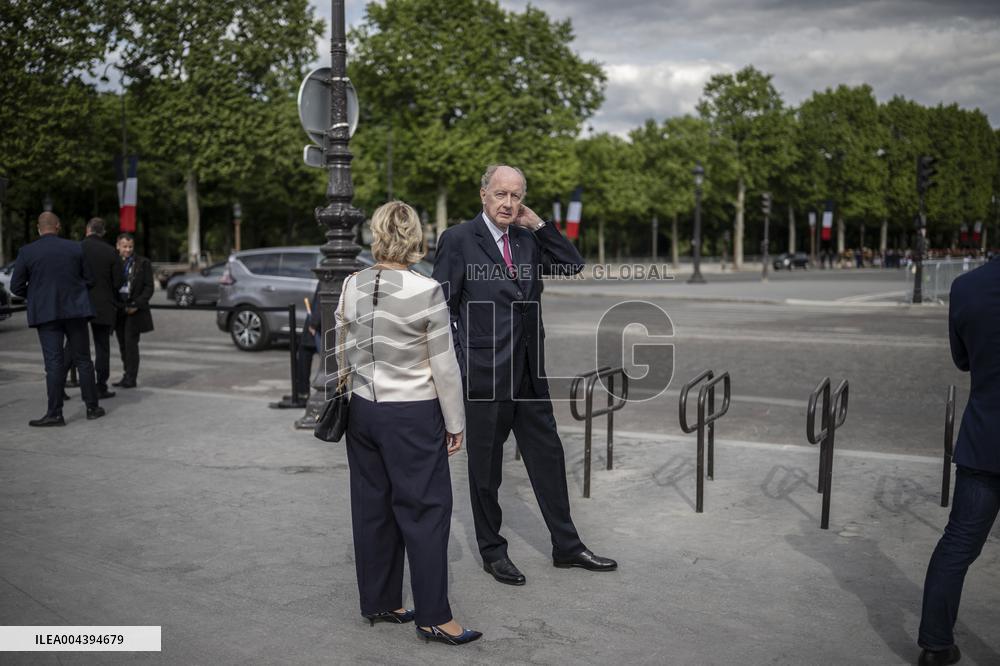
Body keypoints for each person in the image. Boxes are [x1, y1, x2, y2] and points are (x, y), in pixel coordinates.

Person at [432, 164, 617, 587]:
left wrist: (539, 224)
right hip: (484, 378)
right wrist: (463, 363)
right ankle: (493, 551)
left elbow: (571, 265)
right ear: (483, 194)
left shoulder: (527, 238)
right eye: (501, 194)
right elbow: (441, 310)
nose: (508, 203)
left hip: (530, 375)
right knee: (486, 471)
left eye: (516, 196)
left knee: (549, 459)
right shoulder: (458, 240)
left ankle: (567, 547)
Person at [339, 200, 480, 646]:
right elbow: (444, 365)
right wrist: (455, 422)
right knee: (426, 512)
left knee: (372, 508)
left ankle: (380, 601)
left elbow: (342, 345)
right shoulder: (427, 290)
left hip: (363, 407)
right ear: (415, 236)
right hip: (412, 413)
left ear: (376, 234)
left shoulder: (351, 283)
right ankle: (434, 617)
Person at [917, 256, 1000, 666]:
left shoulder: (966, 287)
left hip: (985, 439)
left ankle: (935, 646)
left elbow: (962, 359)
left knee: (957, 545)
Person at [9, 212, 105, 425]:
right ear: (58, 226)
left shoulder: (27, 251)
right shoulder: (75, 248)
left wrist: (37, 295)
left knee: (53, 363)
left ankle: (55, 413)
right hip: (76, 311)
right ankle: (92, 407)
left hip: (46, 313)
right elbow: (90, 279)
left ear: (38, 228)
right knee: (83, 359)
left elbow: (16, 286)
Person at [78, 218, 124, 398]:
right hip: (104, 305)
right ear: (103, 232)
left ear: (87, 229)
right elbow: (118, 282)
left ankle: (59, 386)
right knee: (102, 347)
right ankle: (100, 386)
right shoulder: (111, 251)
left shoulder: (77, 248)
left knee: (72, 345)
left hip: (80, 303)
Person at [113, 233, 154, 388]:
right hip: (119, 309)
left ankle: (131, 377)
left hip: (135, 310)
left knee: (131, 344)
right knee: (122, 344)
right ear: (118, 246)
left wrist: (136, 304)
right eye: (125, 246)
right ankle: (126, 374)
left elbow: (149, 287)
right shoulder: (114, 262)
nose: (128, 249)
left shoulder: (143, 263)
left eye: (130, 246)